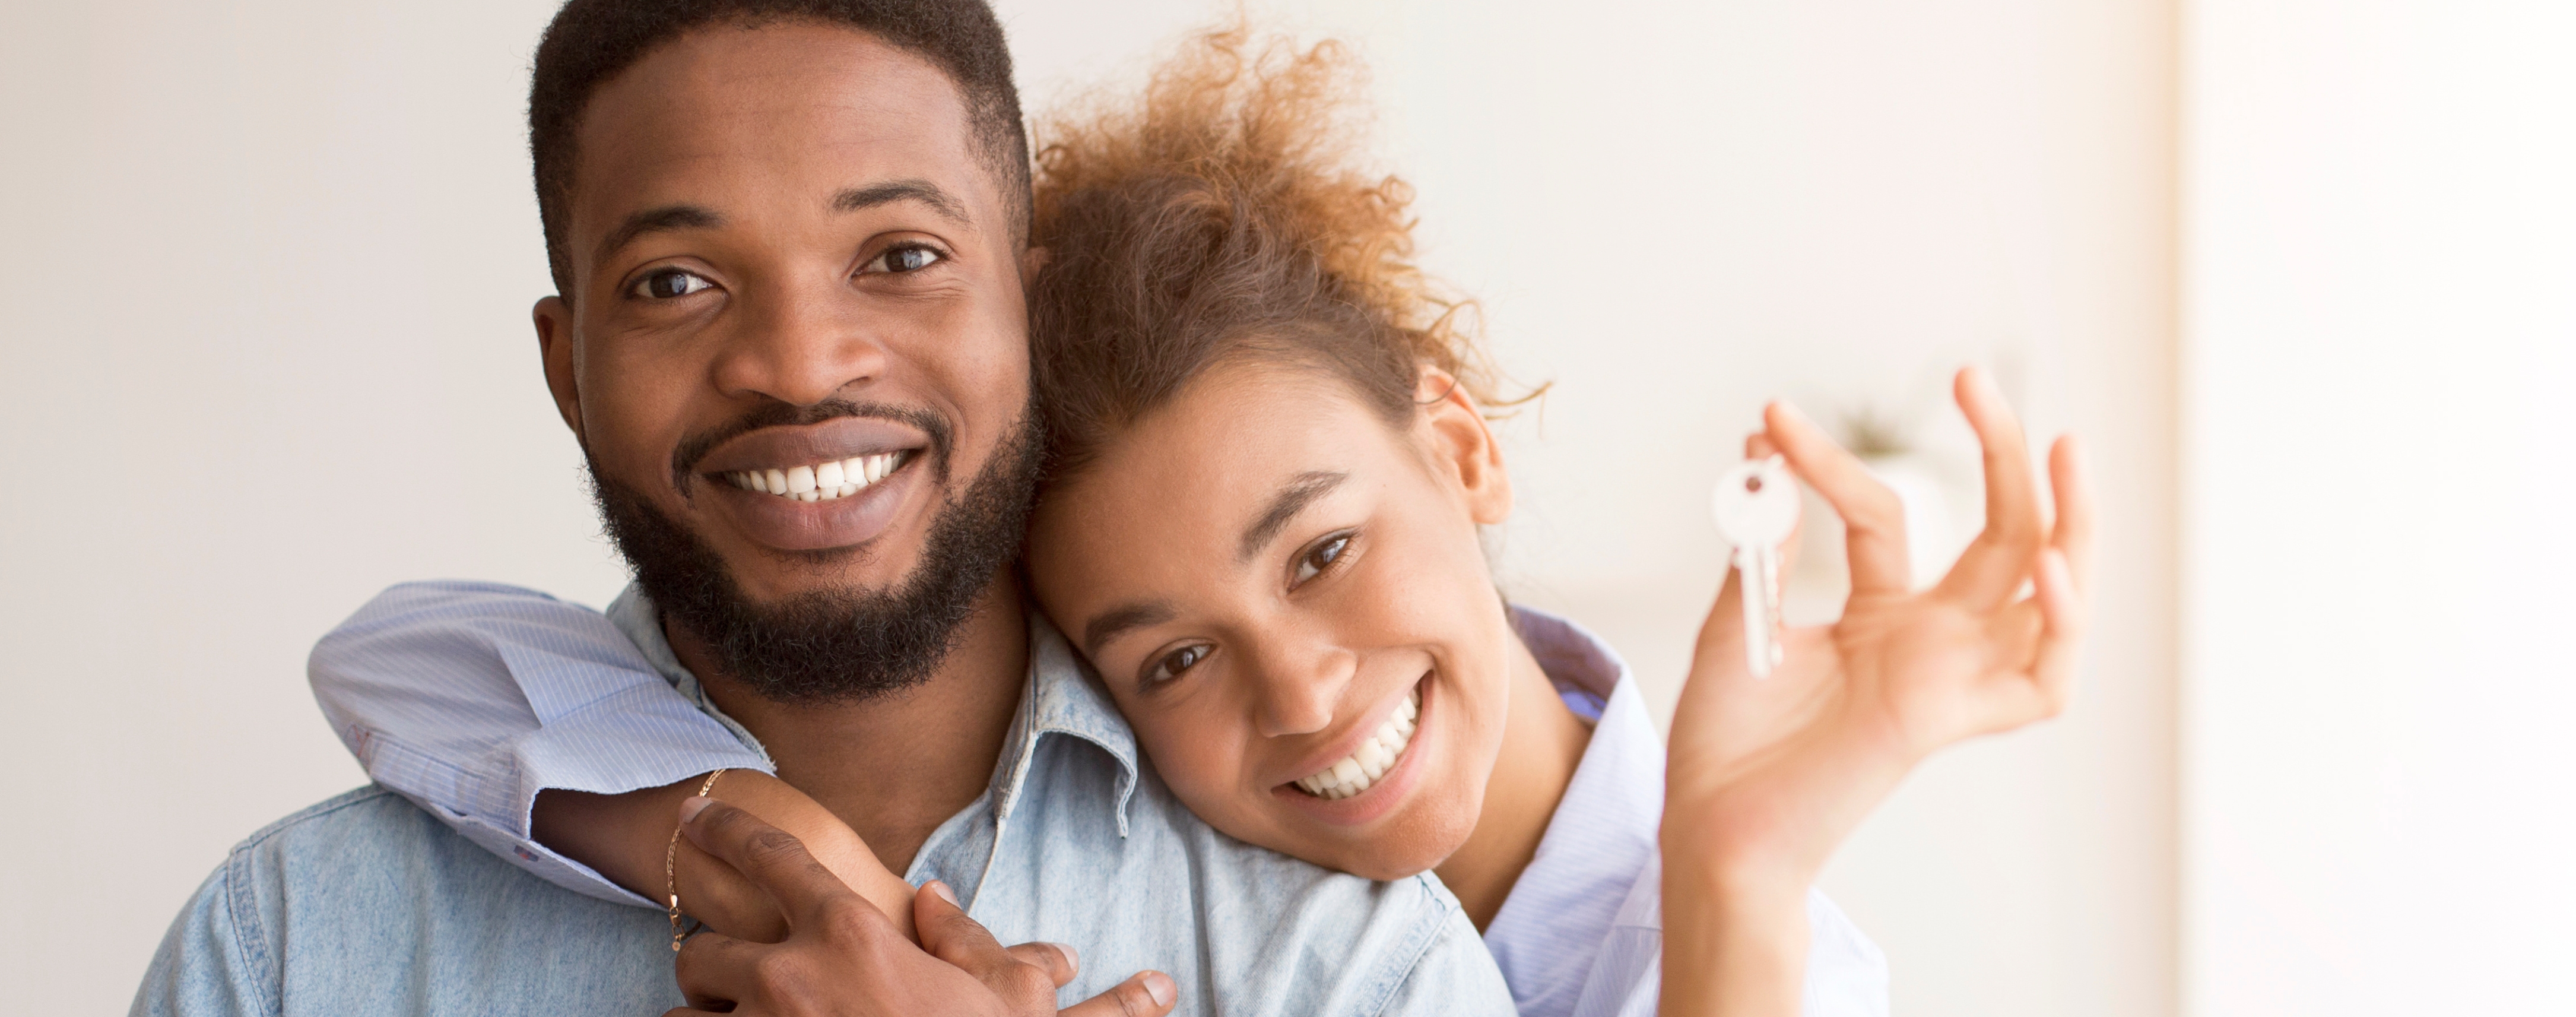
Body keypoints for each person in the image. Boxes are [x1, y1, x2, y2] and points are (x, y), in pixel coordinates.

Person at [291, 24, 2094, 1017]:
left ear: (1458, 449)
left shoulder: (1713, 953)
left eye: (1319, 550)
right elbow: (404, 660)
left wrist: (1741, 880)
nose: (1303, 696)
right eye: (1172, 653)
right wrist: (752, 832)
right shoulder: (1186, 871)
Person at [131, 2, 1522, 1015]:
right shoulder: (291, 949)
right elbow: (390, 652)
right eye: (677, 280)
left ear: (1022, 313)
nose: (800, 365)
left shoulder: (1350, 959)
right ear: (569, 370)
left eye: (901, 254)